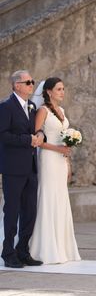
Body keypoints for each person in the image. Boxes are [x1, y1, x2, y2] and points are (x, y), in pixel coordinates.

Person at [29, 77, 81, 264]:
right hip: (49, 160)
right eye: (58, 89)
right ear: (49, 91)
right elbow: (37, 140)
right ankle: (44, 248)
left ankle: (62, 248)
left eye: (63, 88)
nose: (62, 92)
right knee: (48, 198)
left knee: (61, 199)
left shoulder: (62, 112)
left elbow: (64, 141)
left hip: (60, 161)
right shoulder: (42, 111)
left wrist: (68, 162)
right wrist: (58, 150)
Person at [0, 70, 44, 268]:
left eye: (32, 82)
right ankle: (8, 253)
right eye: (27, 82)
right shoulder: (6, 107)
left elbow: (34, 129)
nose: (31, 85)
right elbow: (3, 136)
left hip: (31, 168)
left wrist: (40, 133)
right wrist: (27, 140)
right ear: (16, 85)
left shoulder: (32, 106)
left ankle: (23, 251)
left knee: (30, 211)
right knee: (12, 211)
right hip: (13, 168)